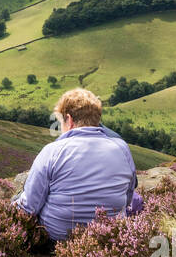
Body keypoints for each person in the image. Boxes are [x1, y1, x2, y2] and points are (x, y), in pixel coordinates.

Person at [14, 88, 140, 242]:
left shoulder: (52, 151)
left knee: (23, 196)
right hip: (109, 238)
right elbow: (128, 197)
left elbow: (29, 208)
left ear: (69, 119)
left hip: (57, 239)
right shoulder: (122, 148)